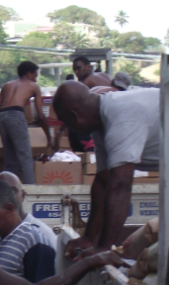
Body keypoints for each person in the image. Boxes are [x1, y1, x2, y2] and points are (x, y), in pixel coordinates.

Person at [53, 81, 161, 261]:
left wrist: (104, 247)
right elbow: (103, 182)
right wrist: (88, 238)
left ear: (74, 116)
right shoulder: (101, 122)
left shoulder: (121, 119)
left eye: (67, 123)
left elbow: (120, 186)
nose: (70, 129)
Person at [0, 60, 53, 185]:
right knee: (25, 158)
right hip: (16, 115)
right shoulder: (34, 87)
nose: (36, 80)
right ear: (29, 74)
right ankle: (30, 192)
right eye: (35, 76)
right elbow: (41, 115)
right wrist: (48, 136)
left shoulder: (7, 86)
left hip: (1, 117)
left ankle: (9, 192)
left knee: (10, 160)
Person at [0, 172, 57, 254]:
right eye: (0, 193)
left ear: (23, 195)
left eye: (13, 191)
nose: (8, 196)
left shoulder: (43, 236)